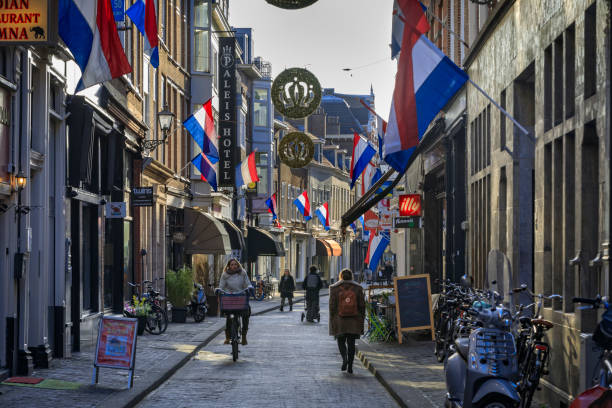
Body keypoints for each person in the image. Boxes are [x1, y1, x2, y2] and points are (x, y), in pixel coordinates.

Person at [329, 268, 365, 374]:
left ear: (341, 276)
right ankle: (350, 365)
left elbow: (332, 305)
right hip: (354, 320)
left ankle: (344, 358)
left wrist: (332, 318)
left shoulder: (334, 288)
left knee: (340, 341)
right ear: (351, 276)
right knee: (351, 343)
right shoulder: (358, 288)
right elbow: (362, 305)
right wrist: (362, 317)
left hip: (339, 320)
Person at [219, 259, 252, 345]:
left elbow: (247, 283)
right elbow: (221, 286)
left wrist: (249, 287)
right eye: (232, 264)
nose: (234, 266)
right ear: (229, 266)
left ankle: (244, 336)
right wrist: (219, 290)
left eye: (235, 264)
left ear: (238, 265)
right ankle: (227, 336)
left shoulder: (242, 273)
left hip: (240, 296)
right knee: (229, 317)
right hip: (229, 297)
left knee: (246, 313)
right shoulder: (225, 275)